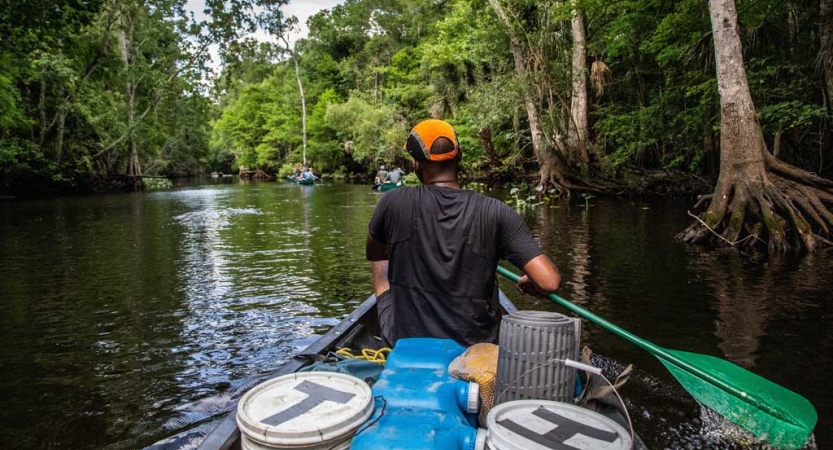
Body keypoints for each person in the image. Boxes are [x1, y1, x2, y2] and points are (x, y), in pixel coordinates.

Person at [366, 119, 561, 347]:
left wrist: (390, 293)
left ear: (415, 164)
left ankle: (391, 323)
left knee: (382, 263)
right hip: (475, 348)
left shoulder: (393, 203)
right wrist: (530, 280)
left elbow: (376, 253)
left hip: (405, 340)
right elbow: (548, 282)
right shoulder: (496, 211)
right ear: (460, 155)